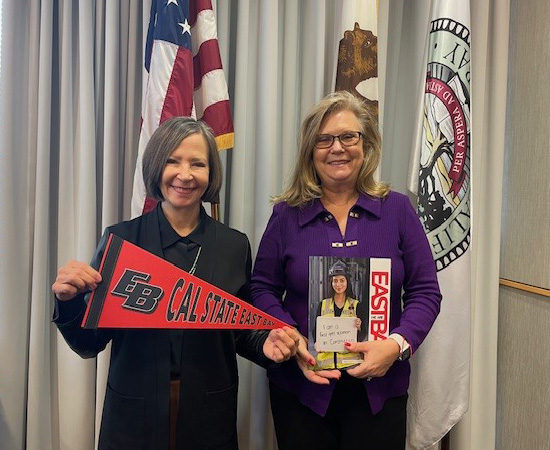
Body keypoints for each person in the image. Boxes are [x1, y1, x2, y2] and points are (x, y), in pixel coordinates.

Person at [52, 117, 300, 450]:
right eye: (172, 160)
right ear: (156, 166)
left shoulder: (234, 245)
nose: (184, 174)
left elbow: (239, 327)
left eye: (197, 163)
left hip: (210, 411)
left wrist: (265, 345)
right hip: (133, 411)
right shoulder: (121, 240)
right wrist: (67, 301)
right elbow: (88, 342)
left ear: (210, 173)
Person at [251, 91, 442, 450]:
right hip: (302, 389)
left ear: (365, 146)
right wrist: (289, 336)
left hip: (380, 393)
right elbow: (261, 287)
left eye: (348, 137)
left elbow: (426, 292)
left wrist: (397, 346)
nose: (336, 147)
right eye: (324, 139)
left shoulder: (397, 210)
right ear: (311, 150)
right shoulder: (286, 215)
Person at [313, 259, 363, 369]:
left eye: (342, 280)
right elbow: (316, 330)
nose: (338, 284)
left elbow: (363, 334)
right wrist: (317, 343)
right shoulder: (323, 304)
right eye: (335, 281)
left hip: (350, 365)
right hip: (326, 366)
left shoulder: (356, 305)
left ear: (347, 282)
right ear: (331, 283)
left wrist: (359, 328)